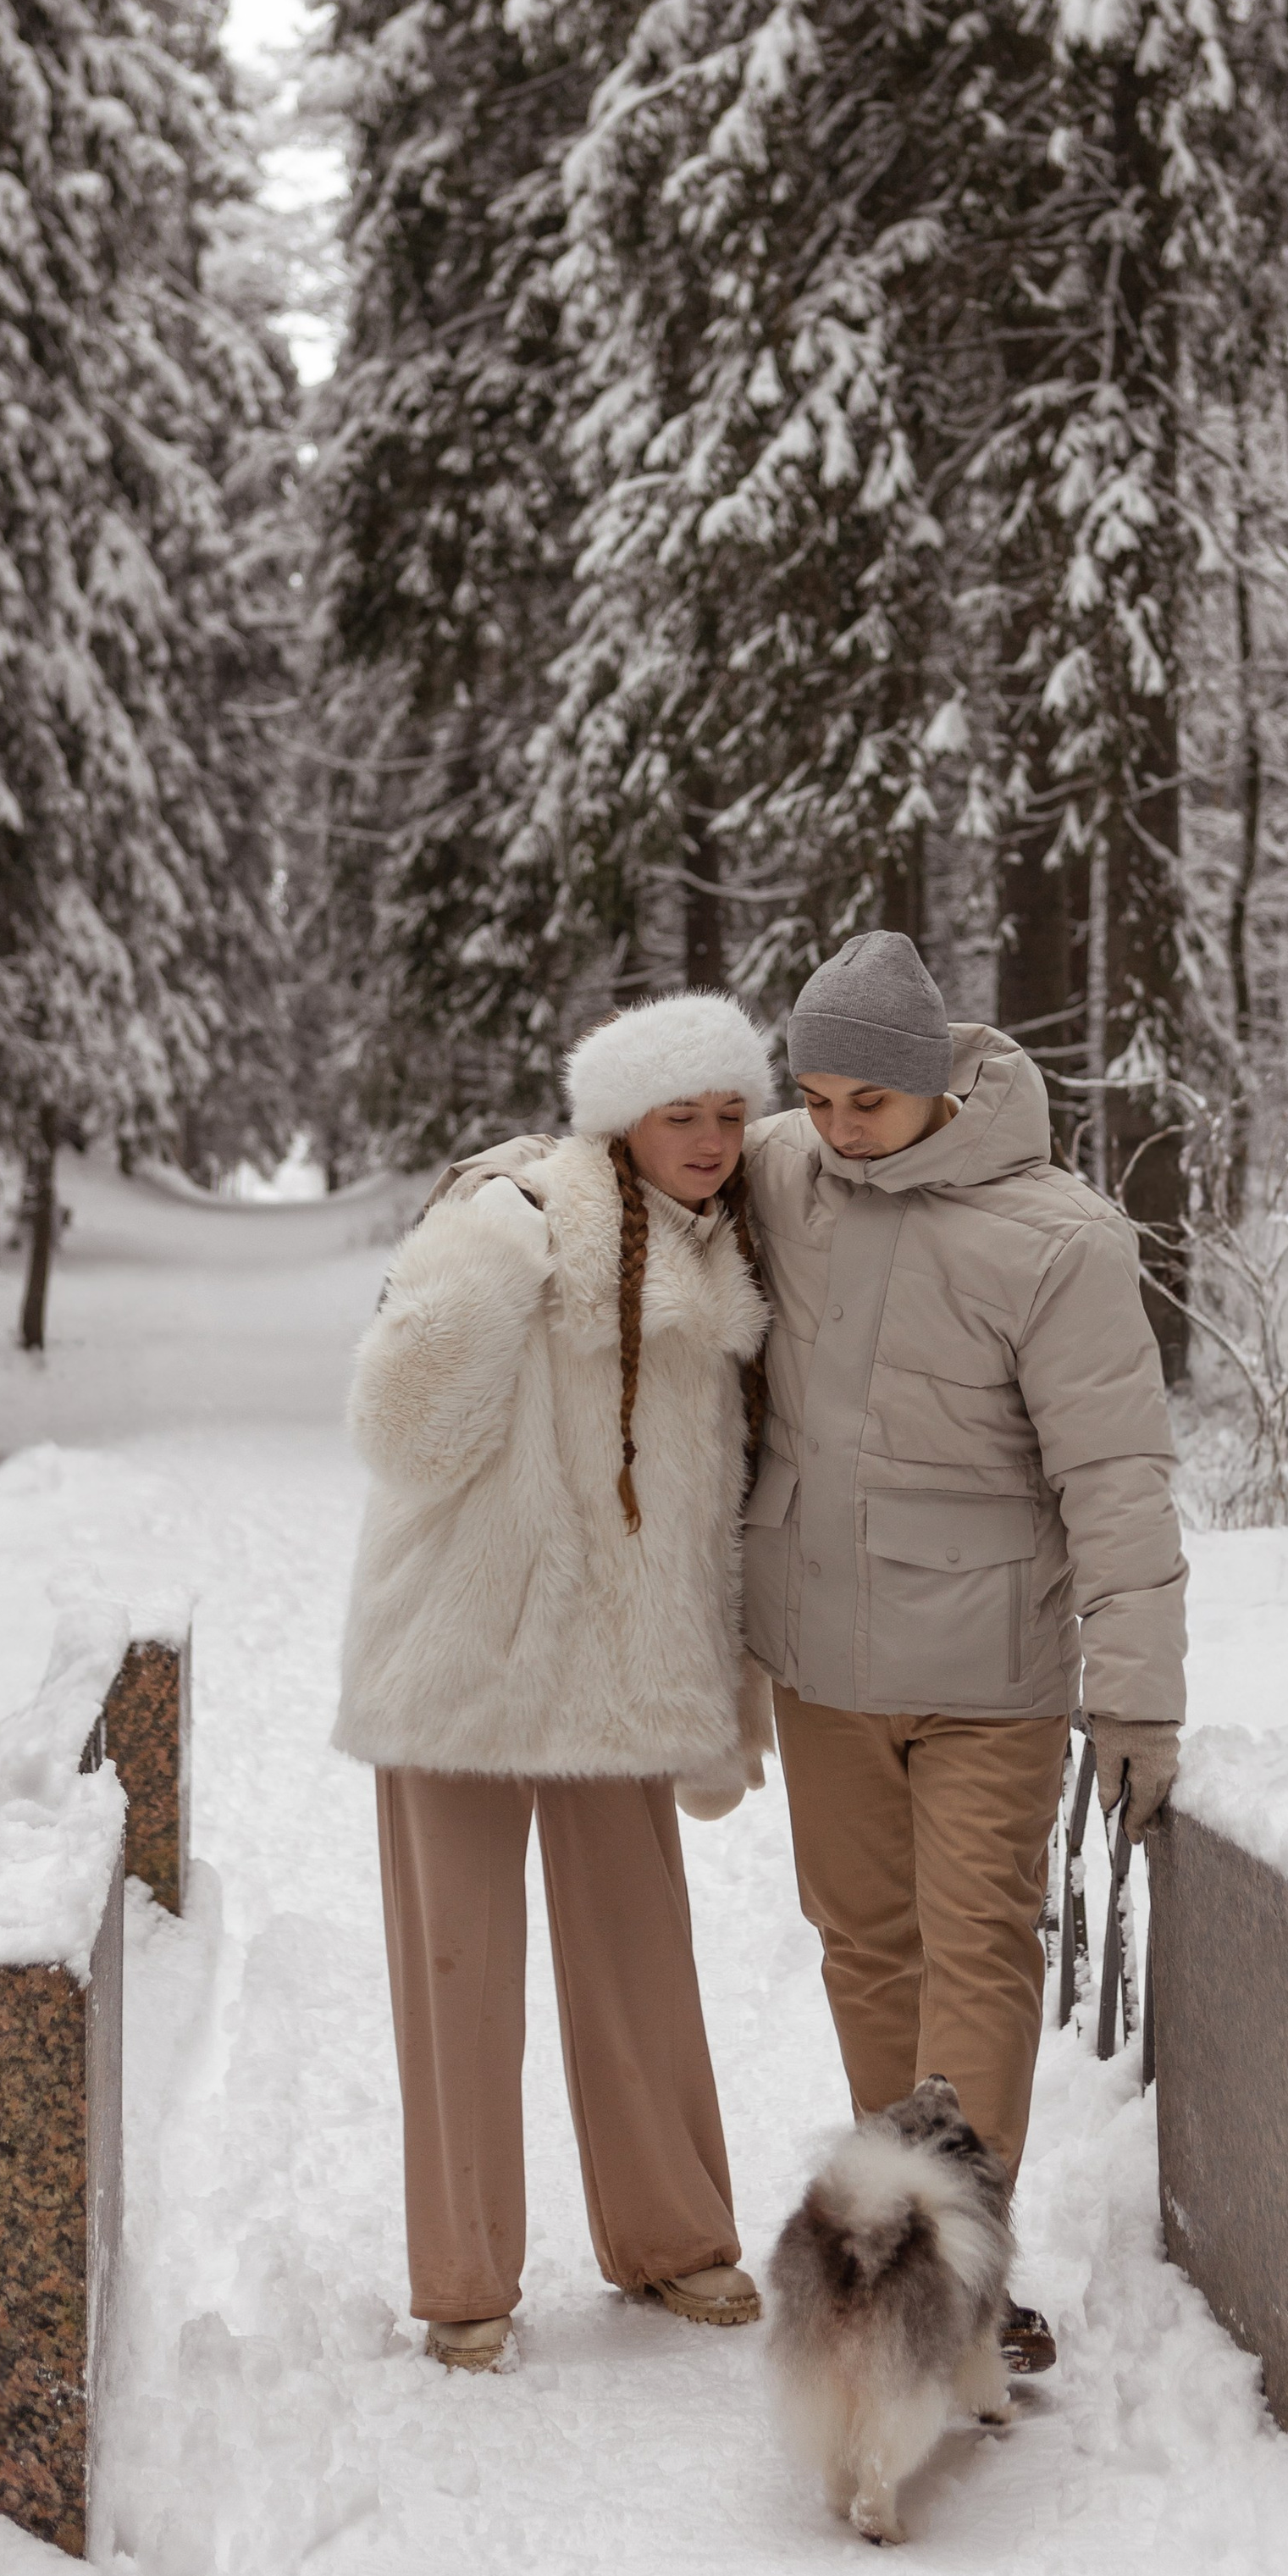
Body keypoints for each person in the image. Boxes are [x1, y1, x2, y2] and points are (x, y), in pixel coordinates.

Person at [740, 931, 1188, 2375]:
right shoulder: (780, 1175)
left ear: (933, 1086)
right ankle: (894, 2249)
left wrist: (1136, 1693)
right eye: (811, 1096)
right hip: (820, 1661)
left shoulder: (1059, 1240)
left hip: (988, 1674)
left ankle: (970, 2270)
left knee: (977, 1956)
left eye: (864, 1101)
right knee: (863, 1949)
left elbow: (1117, 1478)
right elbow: (639, 1156)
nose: (834, 1127)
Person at [334, 991, 781, 2368]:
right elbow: (399, 1432)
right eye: (677, 1115)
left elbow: (708, 1512)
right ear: (619, 1119)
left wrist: (724, 1699)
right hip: (463, 1663)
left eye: (726, 1113)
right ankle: (464, 2278)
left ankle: (673, 2241)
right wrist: (478, 1269)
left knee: (640, 1962)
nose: (707, 1140)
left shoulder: (724, 1254)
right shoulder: (516, 1213)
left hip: (621, 1680)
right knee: (458, 1970)